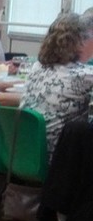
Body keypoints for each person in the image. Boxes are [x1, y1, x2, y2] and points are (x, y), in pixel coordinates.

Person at [20, 11, 93, 157]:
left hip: (23, 152)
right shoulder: (86, 75)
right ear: (80, 43)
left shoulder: (37, 67)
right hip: (59, 159)